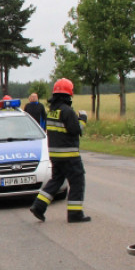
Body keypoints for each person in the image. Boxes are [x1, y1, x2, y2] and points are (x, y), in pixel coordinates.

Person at [30, 78, 90, 223]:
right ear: (69, 94)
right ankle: (75, 214)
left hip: (55, 155)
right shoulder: (67, 111)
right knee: (77, 181)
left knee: (56, 180)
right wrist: (82, 119)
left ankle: (38, 206)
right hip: (70, 155)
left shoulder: (52, 111)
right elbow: (76, 130)